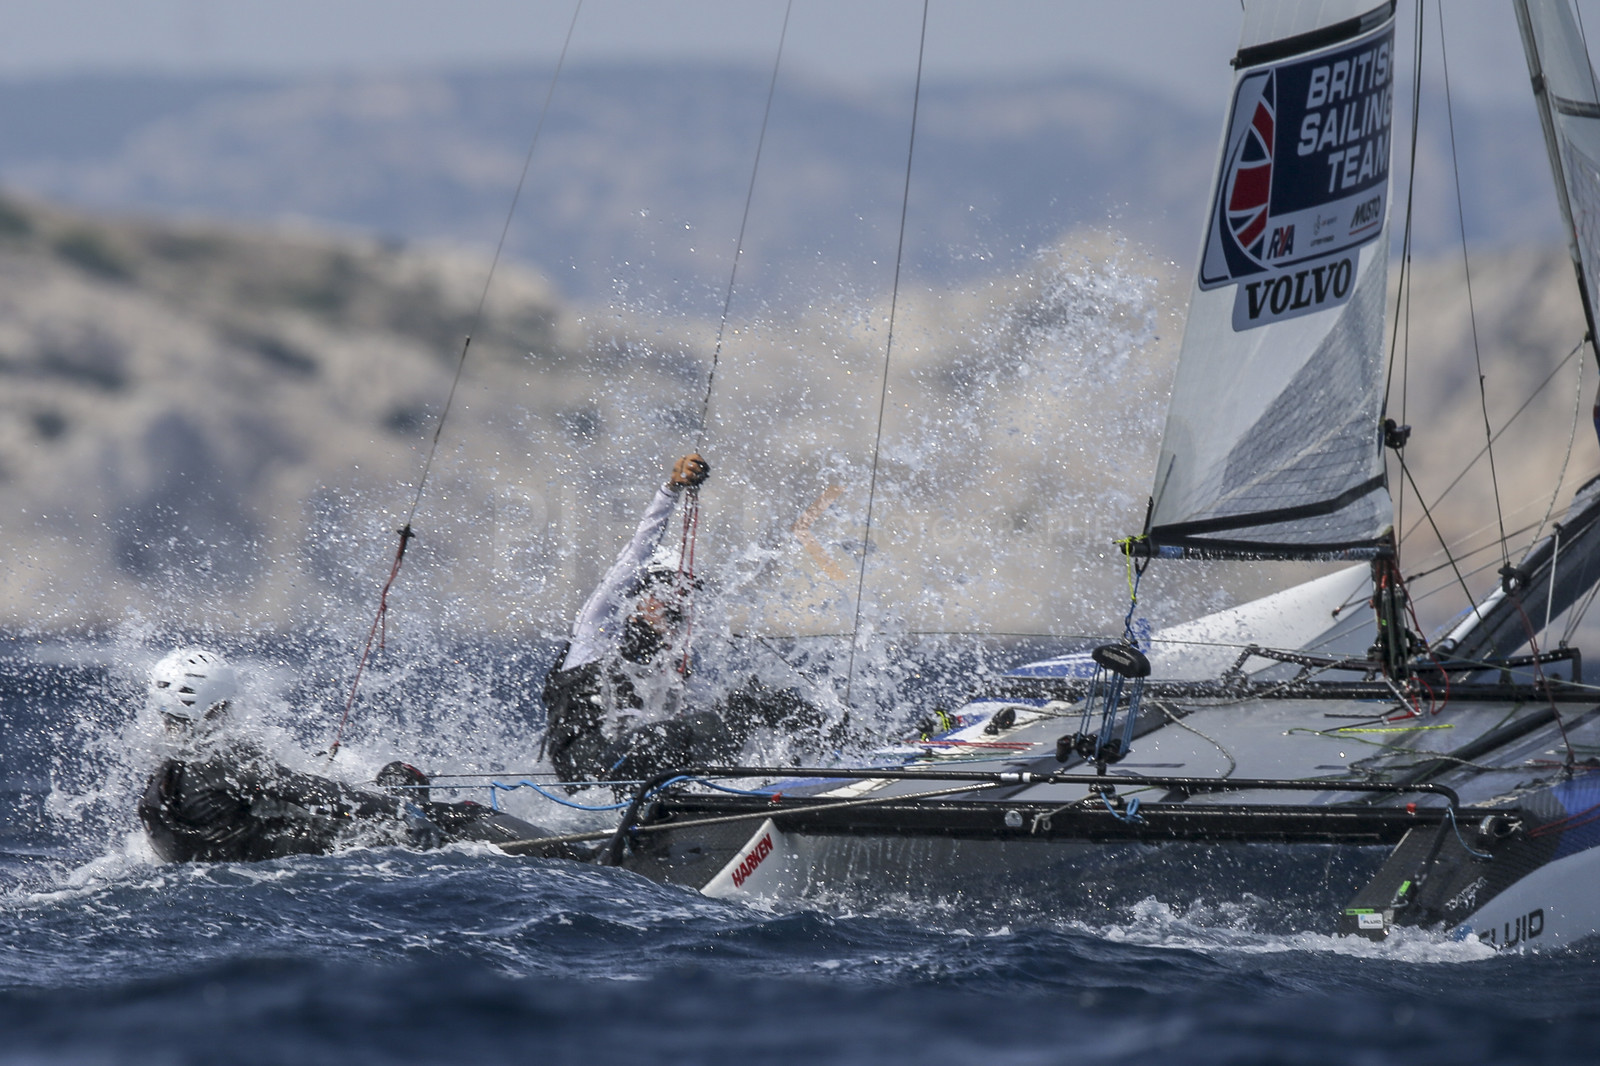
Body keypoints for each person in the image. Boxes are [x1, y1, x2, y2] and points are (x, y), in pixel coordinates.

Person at [541, 454, 823, 789]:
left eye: (685, 593)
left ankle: (846, 755)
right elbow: (635, 556)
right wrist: (671, 490)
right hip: (587, 769)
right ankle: (720, 797)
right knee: (694, 729)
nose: (678, 603)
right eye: (667, 591)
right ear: (638, 596)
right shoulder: (596, 634)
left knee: (750, 702)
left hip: (634, 766)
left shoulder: (667, 657)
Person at [138, 647, 569, 863]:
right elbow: (311, 792)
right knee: (456, 813)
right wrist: (399, 809)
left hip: (252, 854)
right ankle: (578, 857)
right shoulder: (225, 758)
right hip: (298, 854)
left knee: (398, 782)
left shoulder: (163, 769)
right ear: (218, 706)